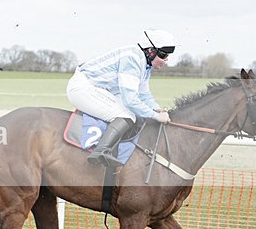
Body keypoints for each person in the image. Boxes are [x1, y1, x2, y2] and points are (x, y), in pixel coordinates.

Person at [66, 29, 176, 167]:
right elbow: (130, 100)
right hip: (83, 88)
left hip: (97, 89)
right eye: (163, 55)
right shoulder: (132, 58)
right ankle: (100, 151)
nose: (166, 60)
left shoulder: (145, 63)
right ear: (150, 50)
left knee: (133, 113)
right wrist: (155, 116)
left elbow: (144, 94)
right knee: (127, 115)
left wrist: (158, 109)